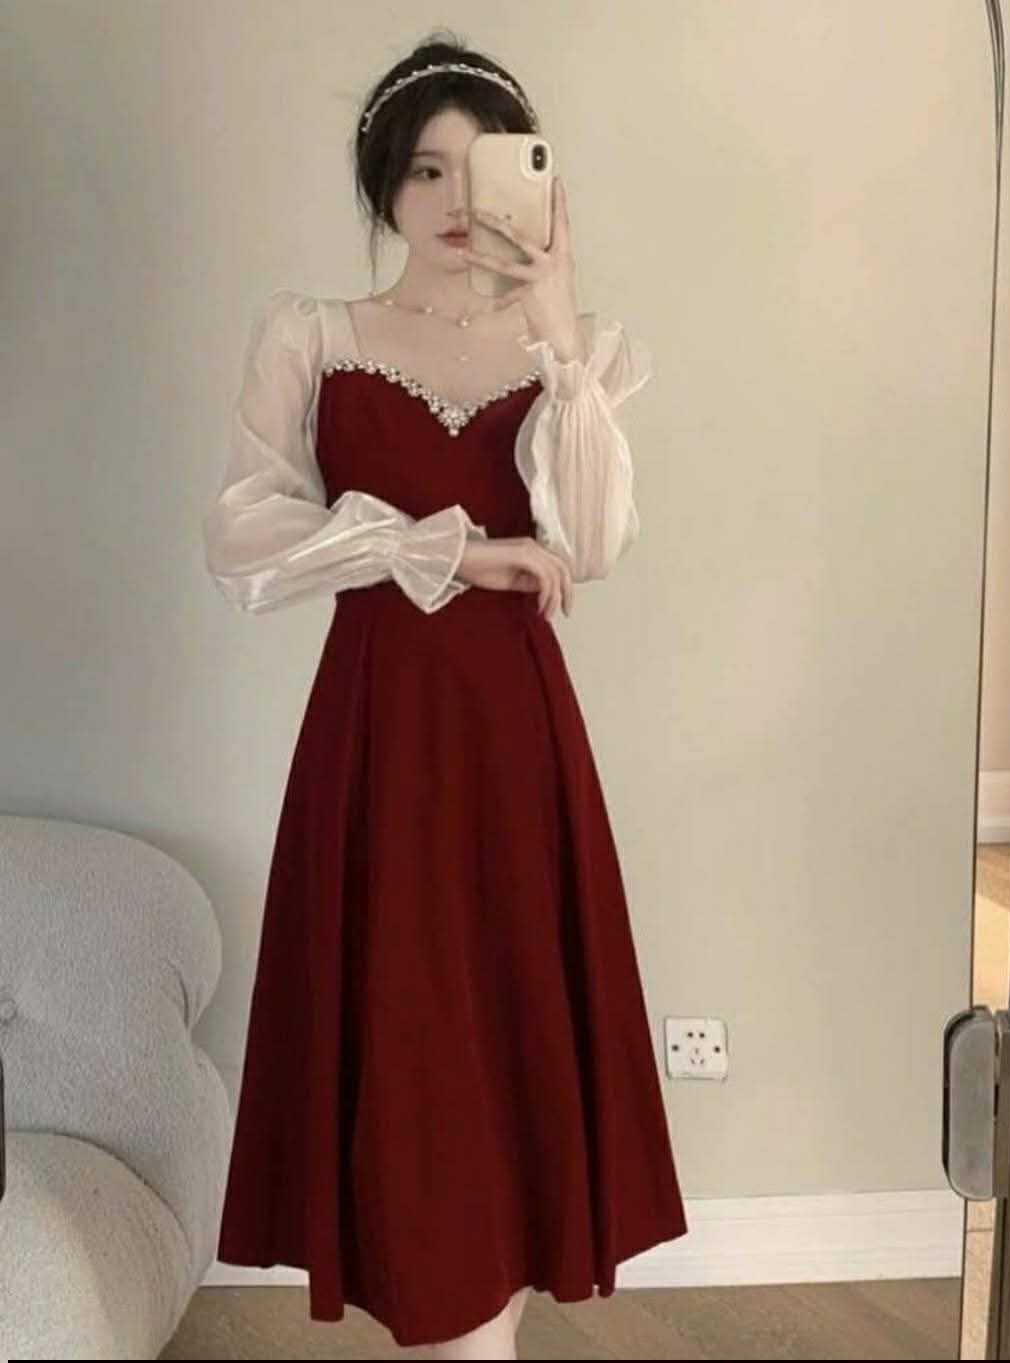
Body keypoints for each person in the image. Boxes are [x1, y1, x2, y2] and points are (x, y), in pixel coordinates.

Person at [203, 30, 688, 1362]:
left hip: (515, 737)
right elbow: (245, 536)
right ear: (383, 185)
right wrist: (456, 553)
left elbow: (591, 540)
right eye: (425, 171)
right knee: (412, 1037)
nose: (454, 201)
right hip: (375, 730)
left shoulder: (580, 353)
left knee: (511, 1029)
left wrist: (559, 329)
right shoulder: (310, 336)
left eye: (481, 171)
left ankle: (486, 1336)